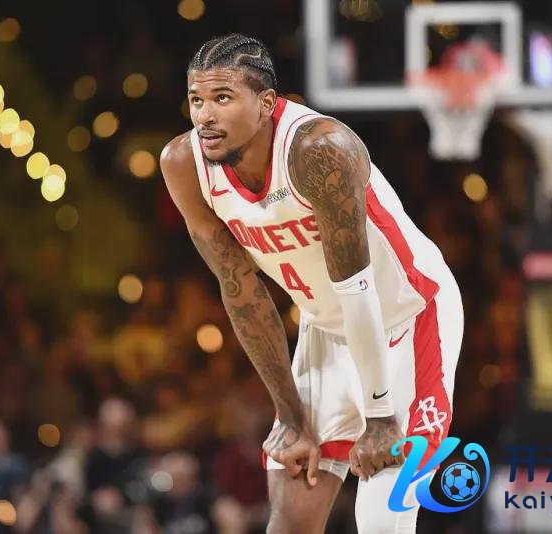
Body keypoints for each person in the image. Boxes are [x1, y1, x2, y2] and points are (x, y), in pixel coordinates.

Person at [160, 34, 464, 533]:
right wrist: (289, 415)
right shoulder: (184, 165)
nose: (204, 116)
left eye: (222, 98)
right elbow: (242, 294)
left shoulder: (318, 150)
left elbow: (357, 290)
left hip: (409, 317)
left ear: (266, 104)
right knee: (292, 516)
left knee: (381, 518)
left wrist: (380, 417)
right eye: (196, 100)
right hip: (326, 328)